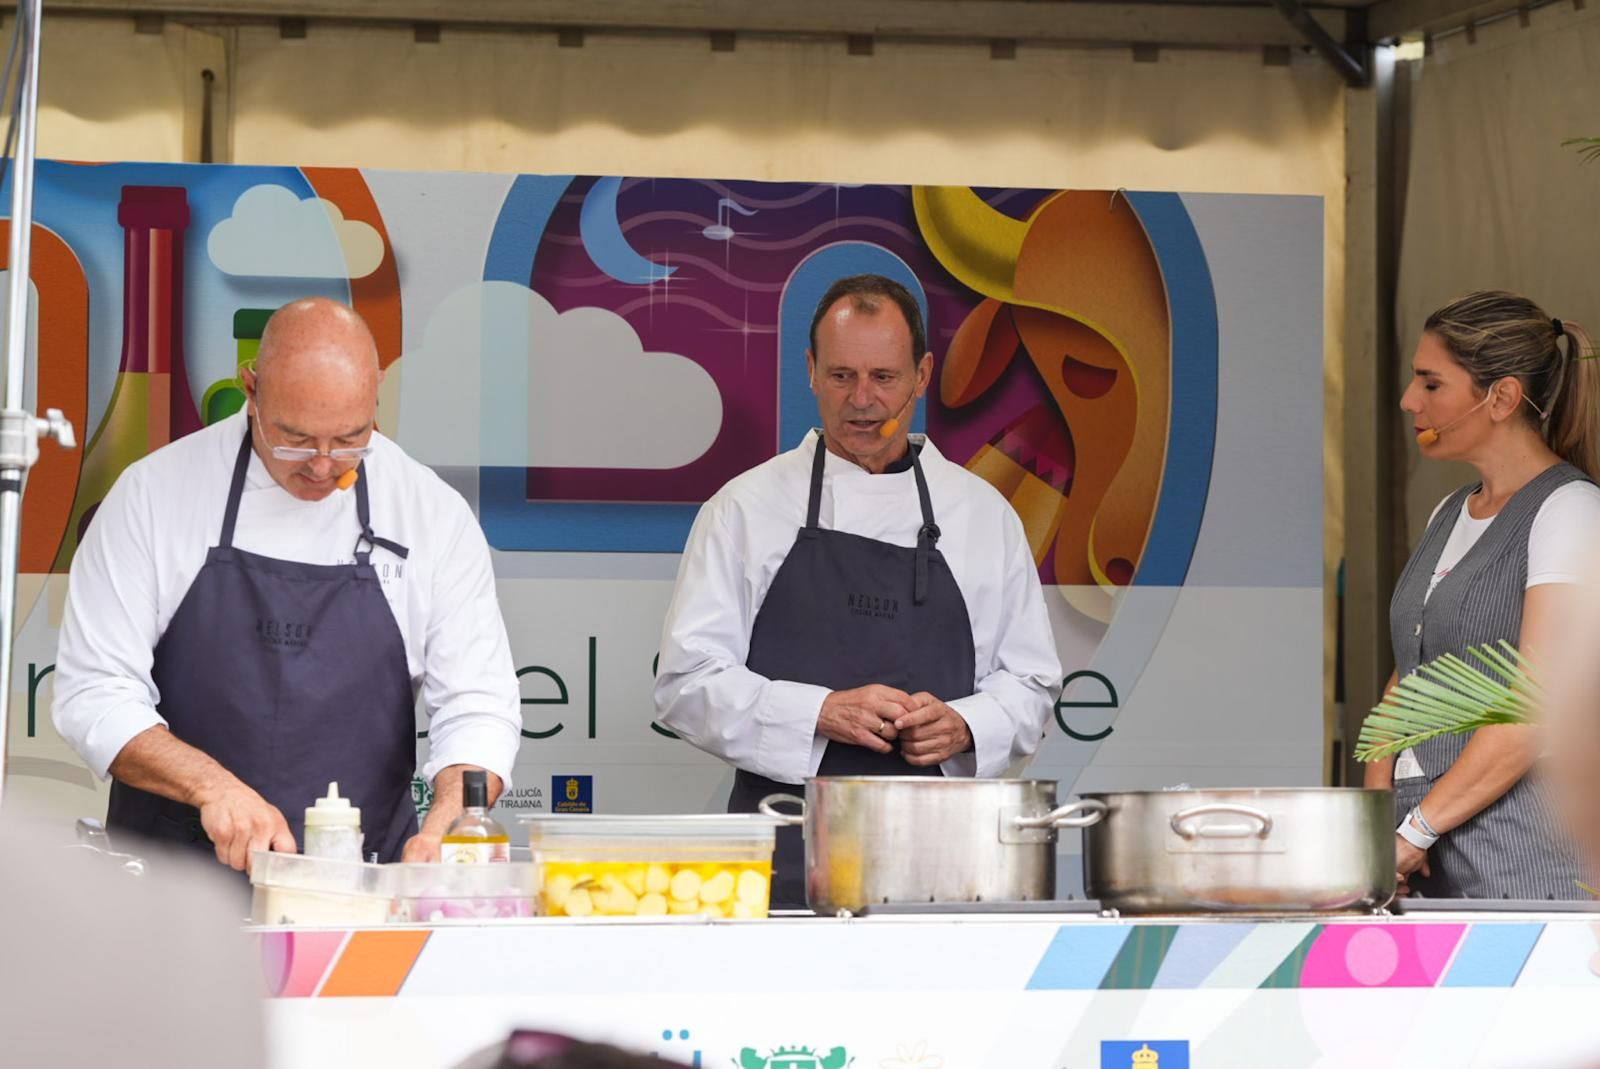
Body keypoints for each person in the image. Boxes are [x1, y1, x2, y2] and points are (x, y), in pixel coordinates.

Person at [52, 298, 521, 870]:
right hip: (171, 886)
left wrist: (451, 824)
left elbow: (477, 706)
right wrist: (212, 788)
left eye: (350, 439)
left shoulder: (431, 515)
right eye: (294, 440)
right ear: (250, 389)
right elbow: (95, 692)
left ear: (375, 391)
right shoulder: (154, 495)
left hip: (361, 879)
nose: (322, 466)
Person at [653, 274, 1062, 907]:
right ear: (811, 372)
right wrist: (818, 713)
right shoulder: (744, 508)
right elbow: (685, 683)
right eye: (842, 376)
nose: (863, 400)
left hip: (943, 860)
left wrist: (966, 725)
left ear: (922, 375)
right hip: (784, 854)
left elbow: (1032, 683)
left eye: (884, 377)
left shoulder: (983, 515)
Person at [1371, 290, 1600, 899]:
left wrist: (1415, 831)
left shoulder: (1570, 512)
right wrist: (1380, 825)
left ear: (1501, 397)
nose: (1409, 400)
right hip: (1425, 848)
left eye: (1431, 383)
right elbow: (1411, 676)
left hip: (1523, 855)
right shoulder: (1449, 512)